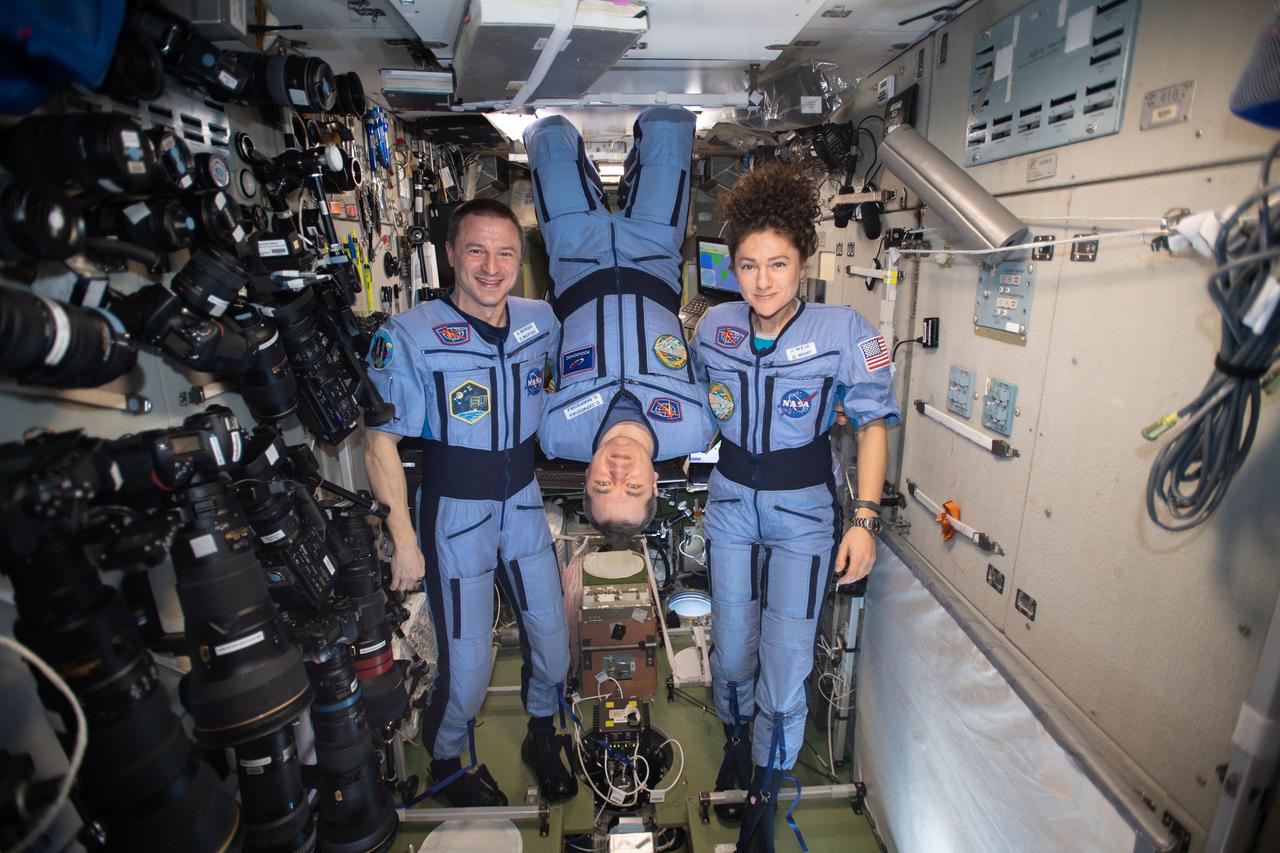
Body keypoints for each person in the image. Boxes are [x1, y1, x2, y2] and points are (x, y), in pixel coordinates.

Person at [691, 163, 900, 853]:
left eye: (777, 263)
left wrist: (864, 522)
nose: (762, 280)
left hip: (804, 512)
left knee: (783, 662)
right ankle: (735, 740)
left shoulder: (843, 329)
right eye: (748, 264)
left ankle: (763, 797)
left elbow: (872, 424)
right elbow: (689, 408)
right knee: (732, 653)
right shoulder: (714, 327)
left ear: (803, 262)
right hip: (728, 506)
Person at [362, 198, 576, 807]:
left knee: (552, 640)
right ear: (451, 254)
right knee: (470, 665)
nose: (491, 265)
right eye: (476, 250)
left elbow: (575, 382)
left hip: (524, 500)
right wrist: (403, 538)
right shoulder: (408, 335)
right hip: (456, 512)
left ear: (519, 261)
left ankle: (541, 732)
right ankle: (447, 760)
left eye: (505, 252)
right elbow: (380, 444)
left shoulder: (542, 321)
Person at [523, 106, 715, 546]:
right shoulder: (696, 428)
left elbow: (529, 363)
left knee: (547, 130)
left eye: (603, 486)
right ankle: (634, 174)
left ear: (586, 477)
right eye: (632, 487)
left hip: (575, 260)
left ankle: (583, 171)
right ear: (654, 480)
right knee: (669, 124)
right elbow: (716, 362)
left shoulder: (555, 433)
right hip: (655, 255)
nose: (618, 473)